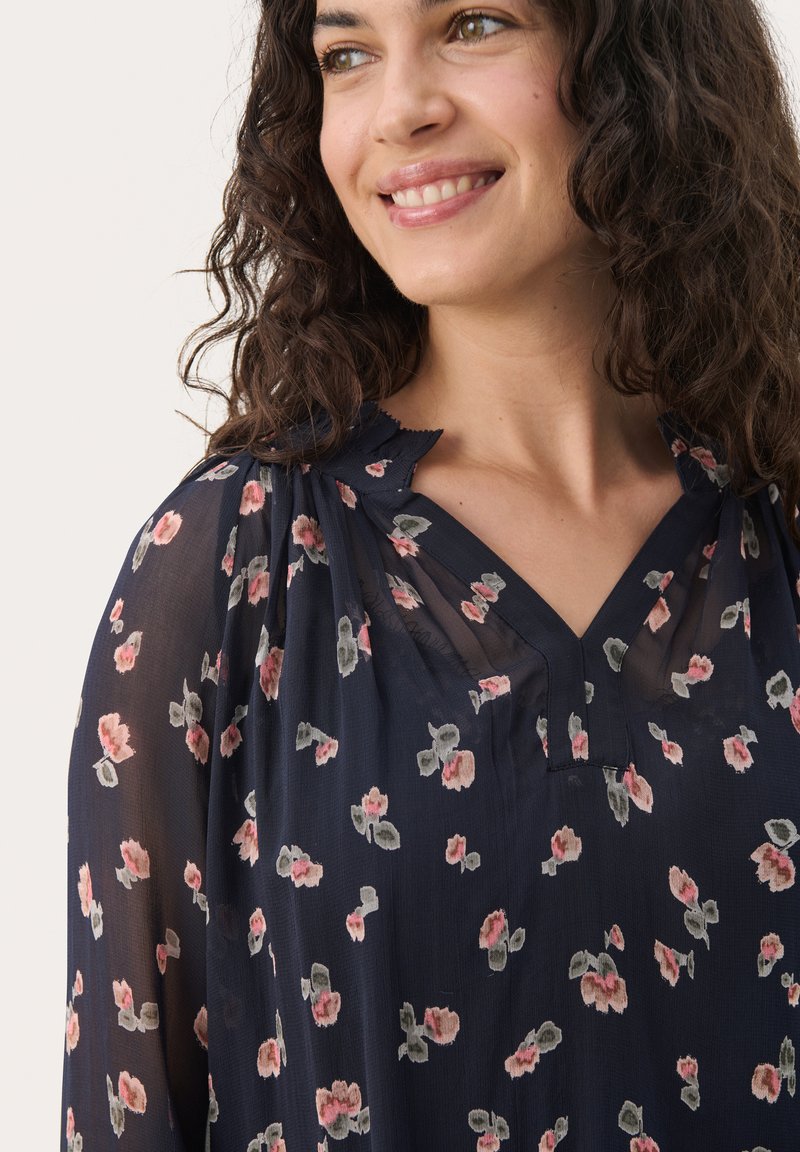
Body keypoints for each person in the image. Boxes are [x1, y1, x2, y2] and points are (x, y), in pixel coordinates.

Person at [61, 0, 800, 1148]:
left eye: (474, 24)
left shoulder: (776, 538)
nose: (398, 108)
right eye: (347, 54)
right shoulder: (237, 563)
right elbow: (130, 1098)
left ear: (638, 57)